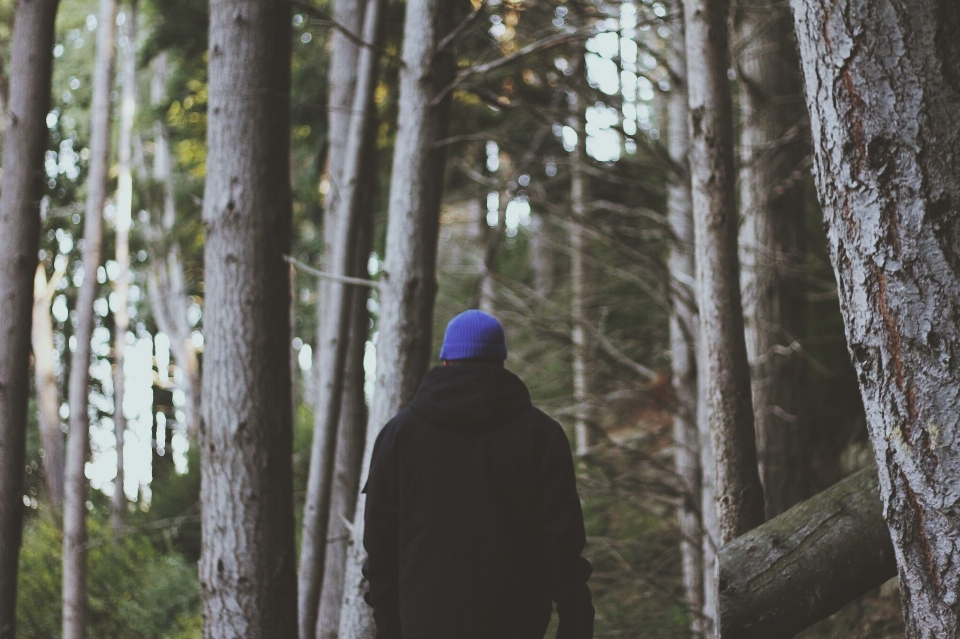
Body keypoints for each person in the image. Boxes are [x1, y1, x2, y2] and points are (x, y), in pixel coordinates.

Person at [362, 309, 594, 639]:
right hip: (518, 625)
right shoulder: (542, 435)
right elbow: (564, 548)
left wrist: (389, 630)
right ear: (501, 363)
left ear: (445, 362)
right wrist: (576, 628)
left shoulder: (399, 436)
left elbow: (380, 552)